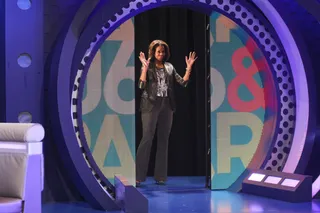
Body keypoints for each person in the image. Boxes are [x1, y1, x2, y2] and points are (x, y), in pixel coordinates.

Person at [136, 39, 197, 186]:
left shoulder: (169, 67)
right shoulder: (148, 66)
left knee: (163, 140)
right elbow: (141, 85)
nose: (161, 54)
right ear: (153, 52)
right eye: (158, 52)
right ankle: (138, 176)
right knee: (147, 138)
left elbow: (183, 82)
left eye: (163, 52)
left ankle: (161, 176)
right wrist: (144, 69)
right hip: (150, 105)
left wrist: (189, 68)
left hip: (167, 105)